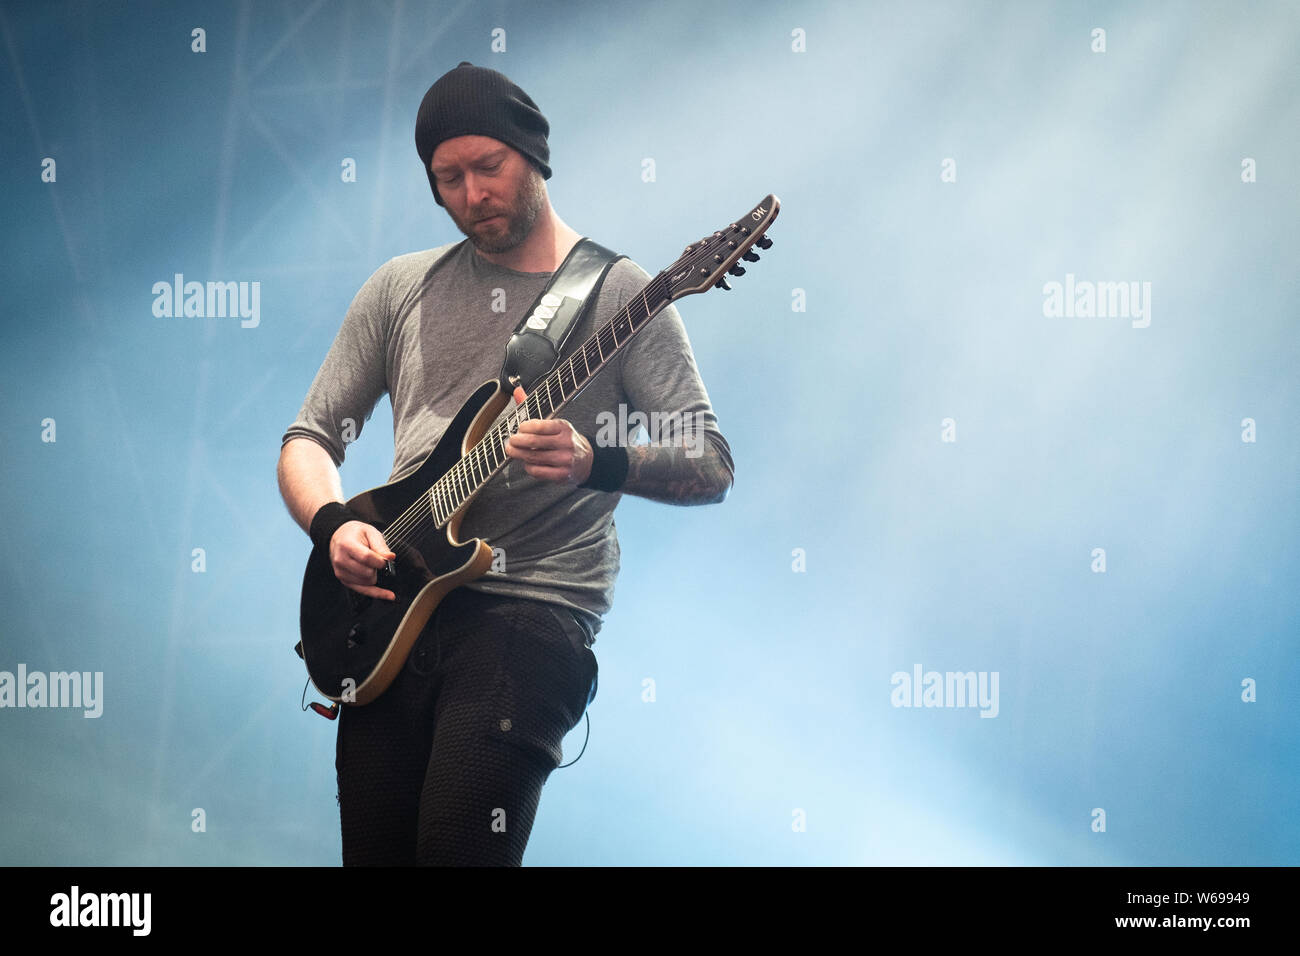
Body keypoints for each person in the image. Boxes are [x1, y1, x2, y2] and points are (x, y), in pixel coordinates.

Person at [276, 61, 735, 866]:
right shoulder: (399, 288)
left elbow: (711, 462)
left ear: (534, 157)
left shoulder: (624, 294)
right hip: (389, 614)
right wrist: (332, 524)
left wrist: (598, 460)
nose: (471, 193)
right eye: (447, 178)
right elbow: (311, 436)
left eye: (489, 167)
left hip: (530, 616)